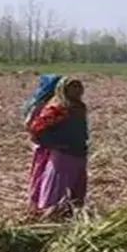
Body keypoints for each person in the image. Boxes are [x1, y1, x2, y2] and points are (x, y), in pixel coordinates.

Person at [26, 76, 89, 216]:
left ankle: (70, 211)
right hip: (63, 154)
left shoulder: (79, 107)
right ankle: (50, 213)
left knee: (76, 184)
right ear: (64, 89)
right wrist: (55, 144)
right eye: (73, 87)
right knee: (58, 185)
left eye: (79, 86)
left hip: (79, 151)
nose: (77, 90)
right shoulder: (58, 108)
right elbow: (37, 129)